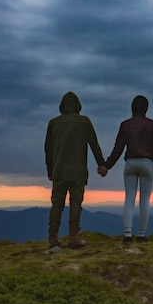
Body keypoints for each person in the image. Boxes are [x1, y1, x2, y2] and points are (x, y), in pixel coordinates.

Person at [99, 95, 153, 244]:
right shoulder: (152, 125)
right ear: (146, 108)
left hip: (130, 164)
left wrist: (106, 166)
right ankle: (141, 235)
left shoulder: (125, 125)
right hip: (147, 164)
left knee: (129, 199)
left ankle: (127, 235)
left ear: (132, 108)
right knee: (144, 201)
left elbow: (118, 149)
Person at [45, 91, 106, 249]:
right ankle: (73, 237)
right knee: (75, 205)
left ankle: (53, 240)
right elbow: (94, 145)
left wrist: (50, 171)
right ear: (78, 105)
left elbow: (48, 150)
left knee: (57, 205)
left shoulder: (54, 123)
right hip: (78, 171)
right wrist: (101, 164)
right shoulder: (84, 122)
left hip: (59, 171)